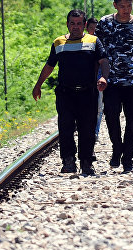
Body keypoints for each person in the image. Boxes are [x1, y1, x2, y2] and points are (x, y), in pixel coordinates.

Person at [33, 10, 109, 175]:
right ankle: (68, 161)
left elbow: (104, 61)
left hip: (87, 93)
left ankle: (86, 162)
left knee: (87, 129)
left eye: (79, 23)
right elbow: (49, 65)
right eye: (72, 23)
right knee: (65, 128)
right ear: (67, 24)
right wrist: (38, 84)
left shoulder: (94, 41)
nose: (76, 27)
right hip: (65, 93)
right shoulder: (58, 43)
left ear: (84, 25)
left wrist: (104, 77)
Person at [95, 0, 133, 172]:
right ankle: (116, 148)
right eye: (122, 6)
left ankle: (128, 158)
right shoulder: (104, 24)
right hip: (111, 80)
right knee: (111, 116)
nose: (126, 10)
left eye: (129, 6)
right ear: (115, 5)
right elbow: (96, 51)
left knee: (132, 120)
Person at [86, 18, 105, 140]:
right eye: (91, 29)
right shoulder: (83, 42)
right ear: (86, 28)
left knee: (99, 107)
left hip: (99, 78)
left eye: (95, 29)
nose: (93, 31)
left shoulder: (100, 43)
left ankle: (95, 132)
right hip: (86, 79)